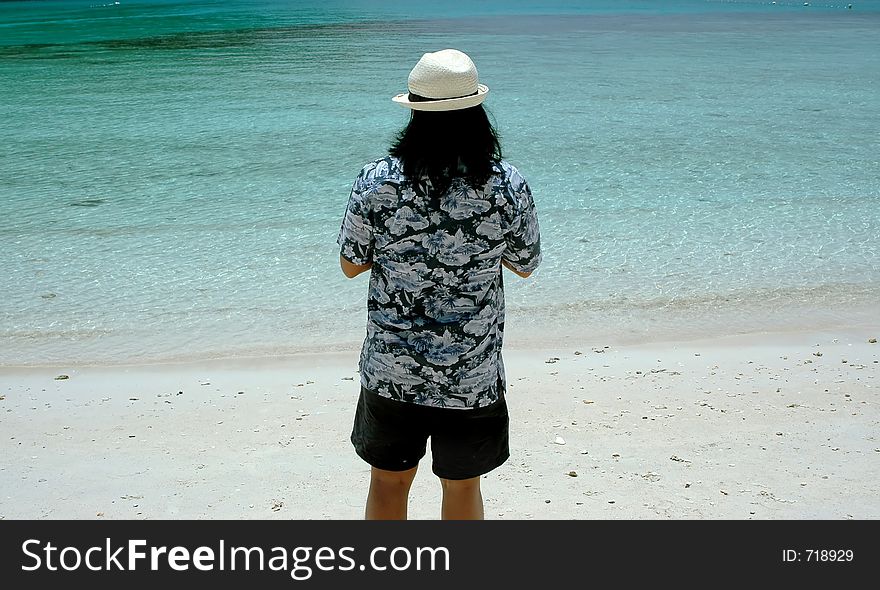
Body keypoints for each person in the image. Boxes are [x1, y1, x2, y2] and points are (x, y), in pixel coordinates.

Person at [337, 49, 541, 520]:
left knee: (388, 483)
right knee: (462, 486)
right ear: (477, 113)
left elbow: (350, 265)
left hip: (393, 368)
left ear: (413, 111)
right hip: (470, 373)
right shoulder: (506, 184)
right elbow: (525, 264)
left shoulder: (376, 181)